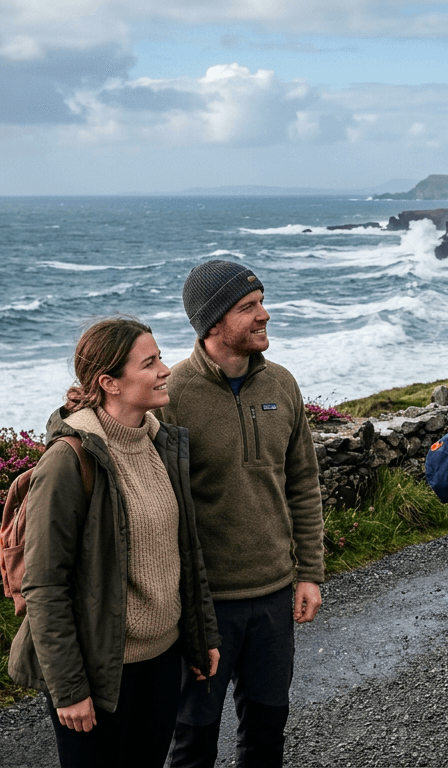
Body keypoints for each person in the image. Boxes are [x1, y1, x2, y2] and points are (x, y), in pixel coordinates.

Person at [8, 317, 222, 768]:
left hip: (162, 660)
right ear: (110, 383)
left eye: (161, 357)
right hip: (102, 670)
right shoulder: (69, 462)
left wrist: (201, 637)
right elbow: (45, 586)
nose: (166, 370)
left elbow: (185, 550)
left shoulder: (160, 442)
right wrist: (70, 690)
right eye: (150, 363)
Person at [158, 261, 325, 768]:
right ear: (212, 324)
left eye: (261, 302)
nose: (264, 315)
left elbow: (302, 484)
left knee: (267, 736)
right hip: (207, 606)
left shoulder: (282, 384)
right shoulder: (172, 396)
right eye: (248, 308)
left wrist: (310, 574)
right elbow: (162, 507)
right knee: (193, 743)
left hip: (275, 595)